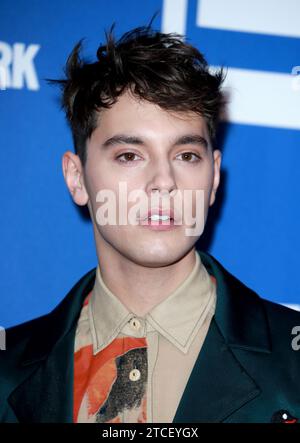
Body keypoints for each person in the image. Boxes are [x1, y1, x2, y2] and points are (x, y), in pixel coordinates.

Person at [0, 23, 299, 424]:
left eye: (186, 155)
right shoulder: (7, 369)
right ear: (77, 178)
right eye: (129, 155)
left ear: (212, 177)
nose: (164, 182)